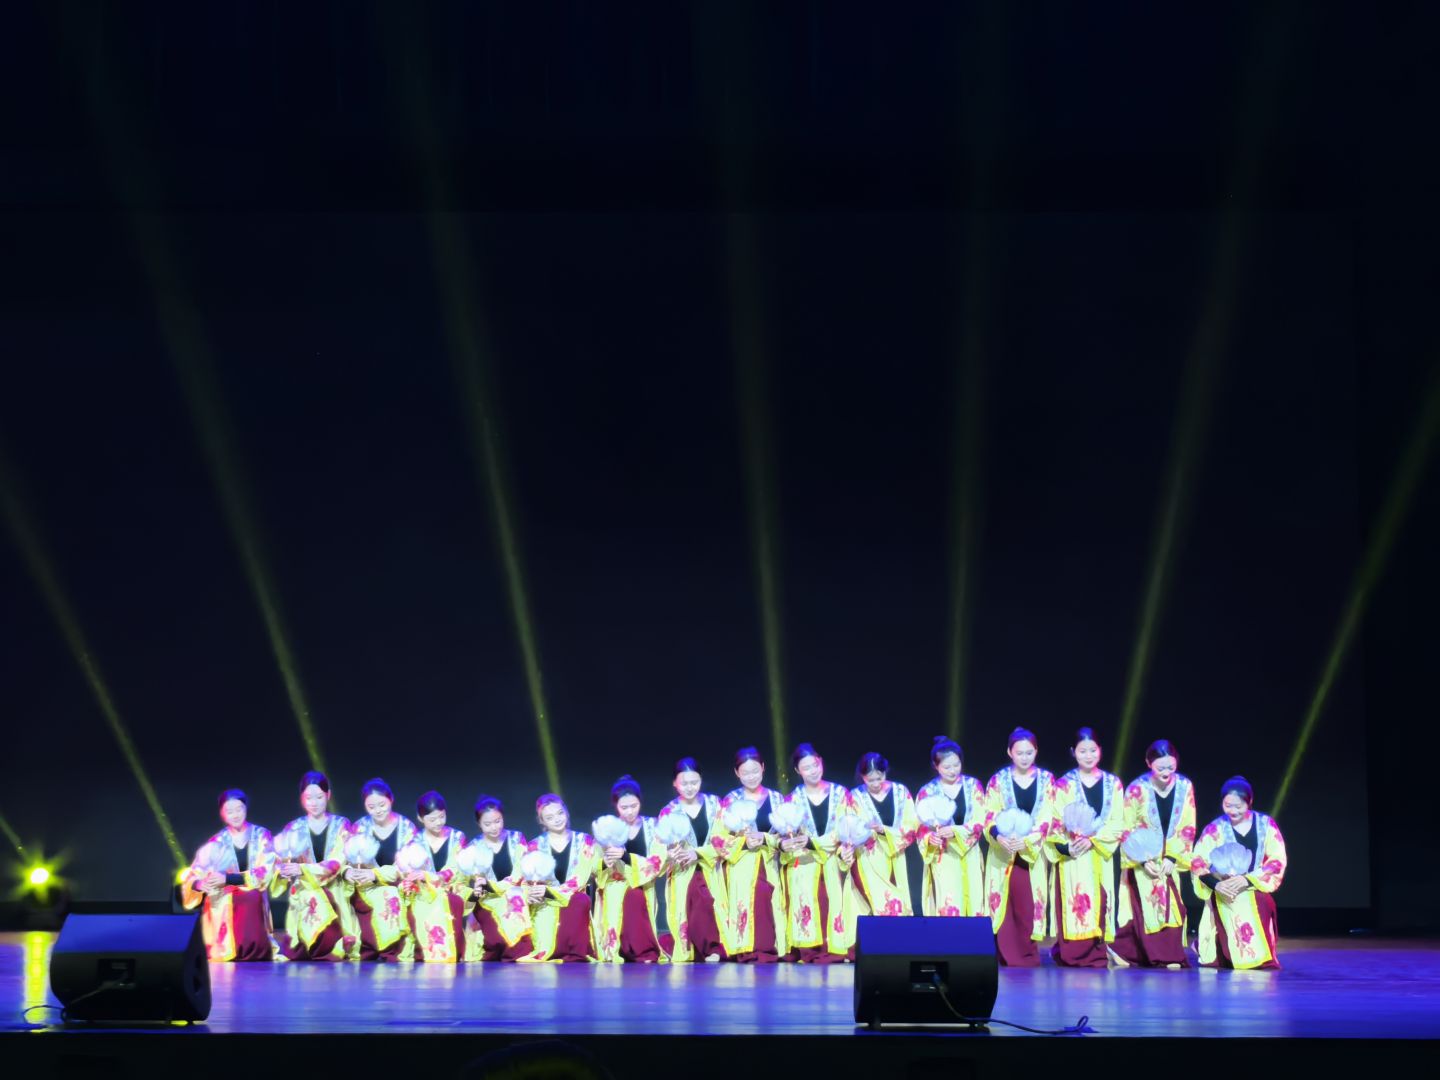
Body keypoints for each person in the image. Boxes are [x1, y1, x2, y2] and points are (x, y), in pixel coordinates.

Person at [1112, 739, 1196, 968]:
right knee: (1146, 908)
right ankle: (1161, 956)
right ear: (1149, 763)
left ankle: (1127, 951)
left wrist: (1172, 857)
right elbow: (1127, 828)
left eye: (1171, 766)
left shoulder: (1185, 786)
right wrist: (1141, 860)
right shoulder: (1137, 789)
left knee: (1172, 908)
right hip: (1143, 861)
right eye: (1161, 768)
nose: (1166, 772)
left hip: (1169, 860)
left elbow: (1187, 826)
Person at [1045, 728, 1125, 967]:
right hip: (1075, 855)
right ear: (1073, 752)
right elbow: (1055, 821)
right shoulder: (1063, 785)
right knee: (1076, 900)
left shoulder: (1113, 784)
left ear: (1100, 751)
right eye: (1082, 751)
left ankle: (1098, 950)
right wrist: (1068, 846)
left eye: (1092, 750)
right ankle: (1072, 952)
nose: (1088, 756)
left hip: (1099, 853)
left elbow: (1118, 822)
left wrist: (1094, 840)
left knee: (1101, 901)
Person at [1190, 777, 1287, 970]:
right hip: (1224, 887)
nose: (1233, 811)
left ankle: (1259, 957)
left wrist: (1248, 879)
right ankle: (1229, 954)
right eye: (1228, 806)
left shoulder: (1266, 825)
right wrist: (1217, 884)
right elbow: (1198, 862)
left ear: (1249, 802)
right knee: (1230, 900)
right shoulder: (1215, 829)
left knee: (1262, 902)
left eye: (1238, 806)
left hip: (1253, 884)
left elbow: (1277, 860)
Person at [982, 728, 1055, 967]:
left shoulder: (1046, 780)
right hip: (1004, 851)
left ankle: (1026, 953)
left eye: (1029, 752)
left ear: (1036, 751)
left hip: (1030, 852)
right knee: (1005, 902)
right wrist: (999, 836)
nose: (1024, 757)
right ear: (1009, 752)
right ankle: (1003, 952)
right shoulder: (998, 781)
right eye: (1019, 753)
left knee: (1027, 903)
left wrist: (1028, 840)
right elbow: (989, 814)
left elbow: (1048, 816)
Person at [182, 788, 276, 961]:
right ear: (222, 814)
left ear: (246, 808)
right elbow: (193, 874)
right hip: (225, 900)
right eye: (229, 811)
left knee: (252, 896)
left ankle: (254, 947)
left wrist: (228, 879)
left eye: (239, 809)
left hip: (253, 894)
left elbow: (266, 870)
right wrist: (200, 884)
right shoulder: (216, 842)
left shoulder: (262, 835)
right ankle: (226, 946)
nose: (235, 815)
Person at [271, 771, 356, 961]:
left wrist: (303, 869)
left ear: (328, 795)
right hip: (304, 889)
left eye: (319, 797)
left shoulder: (341, 825)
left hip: (333, 888)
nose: (314, 803)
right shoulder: (293, 828)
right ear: (302, 798)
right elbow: (278, 860)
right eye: (309, 798)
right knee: (307, 899)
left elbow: (337, 861)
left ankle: (331, 945)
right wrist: (283, 871)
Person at [782, 744, 855, 963]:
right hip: (805, 863)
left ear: (821, 762)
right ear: (798, 771)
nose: (813, 771)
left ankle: (837, 947)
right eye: (806, 768)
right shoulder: (793, 799)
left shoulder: (841, 794)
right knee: (808, 904)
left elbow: (846, 828)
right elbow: (786, 835)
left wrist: (815, 842)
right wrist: (789, 843)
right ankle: (809, 949)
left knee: (835, 903)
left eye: (815, 765)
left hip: (834, 860)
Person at [717, 747, 789, 962]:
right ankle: (744, 948)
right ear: (736, 773)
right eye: (745, 772)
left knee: (768, 903)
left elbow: (786, 836)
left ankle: (771, 947)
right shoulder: (729, 801)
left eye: (755, 771)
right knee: (745, 904)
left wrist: (765, 839)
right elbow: (719, 839)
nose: (751, 776)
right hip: (741, 864)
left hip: (769, 861)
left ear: (763, 768)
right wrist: (743, 842)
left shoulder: (777, 799)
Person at [656, 757, 730, 962]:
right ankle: (702, 948)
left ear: (701, 780)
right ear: (675, 783)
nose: (690, 787)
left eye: (694, 782)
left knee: (707, 902)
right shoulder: (669, 811)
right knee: (693, 902)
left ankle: (712, 947)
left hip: (710, 867)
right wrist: (671, 853)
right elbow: (660, 845)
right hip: (683, 871)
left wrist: (697, 853)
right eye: (684, 783)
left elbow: (726, 839)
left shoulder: (716, 805)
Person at [343, 778, 418, 962]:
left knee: (390, 894)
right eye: (371, 807)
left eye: (382, 805)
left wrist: (376, 874)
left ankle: (393, 949)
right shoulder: (359, 827)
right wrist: (348, 872)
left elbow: (409, 865)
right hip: (365, 888)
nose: (377, 810)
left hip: (398, 886)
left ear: (391, 799)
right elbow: (344, 858)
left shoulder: (407, 828)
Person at [594, 776, 667, 963]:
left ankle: (643, 950)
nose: (629, 812)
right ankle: (621, 949)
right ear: (615, 806)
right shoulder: (607, 828)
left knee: (635, 895)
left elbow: (657, 861)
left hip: (643, 883)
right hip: (615, 883)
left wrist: (625, 857)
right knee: (623, 896)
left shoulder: (653, 827)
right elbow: (594, 866)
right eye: (624, 807)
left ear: (640, 802)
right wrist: (605, 862)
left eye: (634, 806)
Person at [915, 737, 987, 917]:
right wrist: (930, 838)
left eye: (956, 765)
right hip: (944, 857)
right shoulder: (927, 791)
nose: (953, 770)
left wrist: (955, 831)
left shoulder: (973, 786)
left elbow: (981, 818)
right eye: (947, 767)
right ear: (936, 766)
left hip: (969, 854)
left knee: (974, 903)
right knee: (949, 904)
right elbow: (920, 827)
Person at [525, 794, 599, 962]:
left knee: (580, 900)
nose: (557, 819)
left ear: (566, 812)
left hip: (574, 899)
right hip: (545, 903)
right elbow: (526, 880)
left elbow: (581, 877)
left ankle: (576, 951)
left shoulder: (584, 841)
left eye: (560, 813)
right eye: (549, 817)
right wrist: (530, 893)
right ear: (542, 821)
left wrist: (550, 891)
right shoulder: (534, 846)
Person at [464, 795, 535, 961]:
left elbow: (519, 873)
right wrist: (478, 888)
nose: (494, 827)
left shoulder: (517, 839)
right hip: (488, 900)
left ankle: (519, 952)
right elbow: (469, 879)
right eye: (487, 824)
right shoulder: (474, 847)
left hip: (517, 896)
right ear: (479, 824)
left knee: (514, 897)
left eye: (497, 821)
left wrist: (494, 886)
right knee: (495, 940)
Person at [847, 752, 917, 917]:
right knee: (878, 905)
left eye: (880, 778)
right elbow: (850, 829)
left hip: (897, 856)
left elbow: (912, 825)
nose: (876, 783)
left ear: (885, 772)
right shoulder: (855, 797)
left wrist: (883, 830)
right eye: (870, 780)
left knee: (900, 905)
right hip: (869, 859)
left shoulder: (901, 792)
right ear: (862, 777)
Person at [405, 790, 468, 963]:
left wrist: (431, 876)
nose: (438, 822)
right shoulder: (415, 841)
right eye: (432, 819)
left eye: (441, 817)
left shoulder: (457, 837)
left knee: (449, 900)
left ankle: (448, 951)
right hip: (425, 892)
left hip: (452, 888)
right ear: (420, 818)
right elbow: (406, 867)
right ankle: (427, 951)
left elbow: (457, 867)